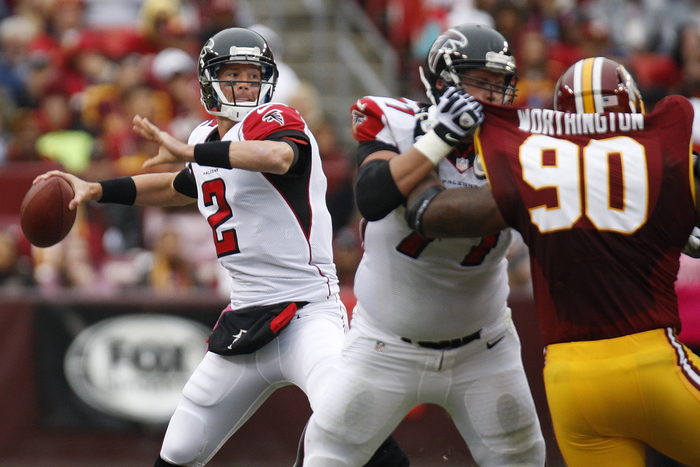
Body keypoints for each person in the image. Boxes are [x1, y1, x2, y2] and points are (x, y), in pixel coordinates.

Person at [33, 27, 408, 467]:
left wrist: (195, 154)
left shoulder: (277, 120)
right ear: (210, 79)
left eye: (253, 74)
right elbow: (180, 187)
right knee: (179, 450)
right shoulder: (204, 138)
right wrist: (96, 188)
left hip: (308, 313)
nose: (245, 84)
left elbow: (277, 157)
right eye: (233, 74)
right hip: (247, 319)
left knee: (348, 422)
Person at [405, 56, 700, 467]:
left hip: (569, 381)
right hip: (652, 361)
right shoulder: (668, 162)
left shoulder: (533, 170)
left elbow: (429, 215)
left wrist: (420, 148)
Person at [301, 23, 546, 467]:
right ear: (440, 81)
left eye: (499, 83)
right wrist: (437, 140)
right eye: (479, 80)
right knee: (327, 456)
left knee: (523, 460)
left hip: (485, 348)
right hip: (385, 347)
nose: (491, 94)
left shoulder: (525, 143)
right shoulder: (397, 122)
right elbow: (372, 197)